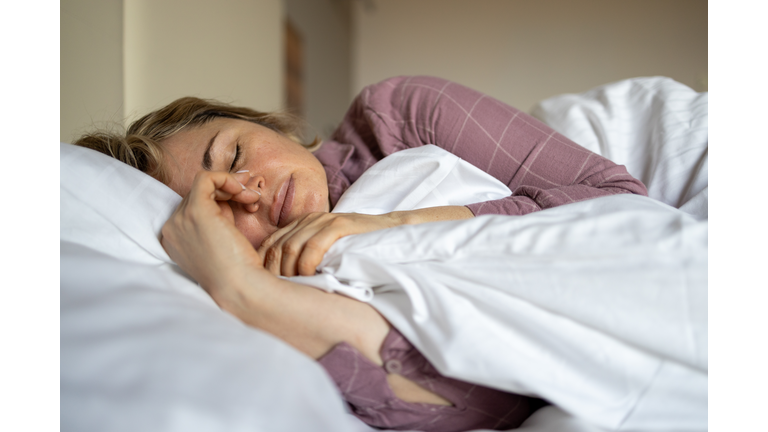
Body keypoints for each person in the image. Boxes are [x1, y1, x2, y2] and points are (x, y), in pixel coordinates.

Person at [74, 75, 647, 431]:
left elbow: (620, 203)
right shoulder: (288, 293)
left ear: (267, 125)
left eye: (236, 154)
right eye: (222, 206)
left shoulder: (398, 116)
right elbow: (494, 408)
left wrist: (393, 223)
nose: (252, 192)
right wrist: (245, 290)